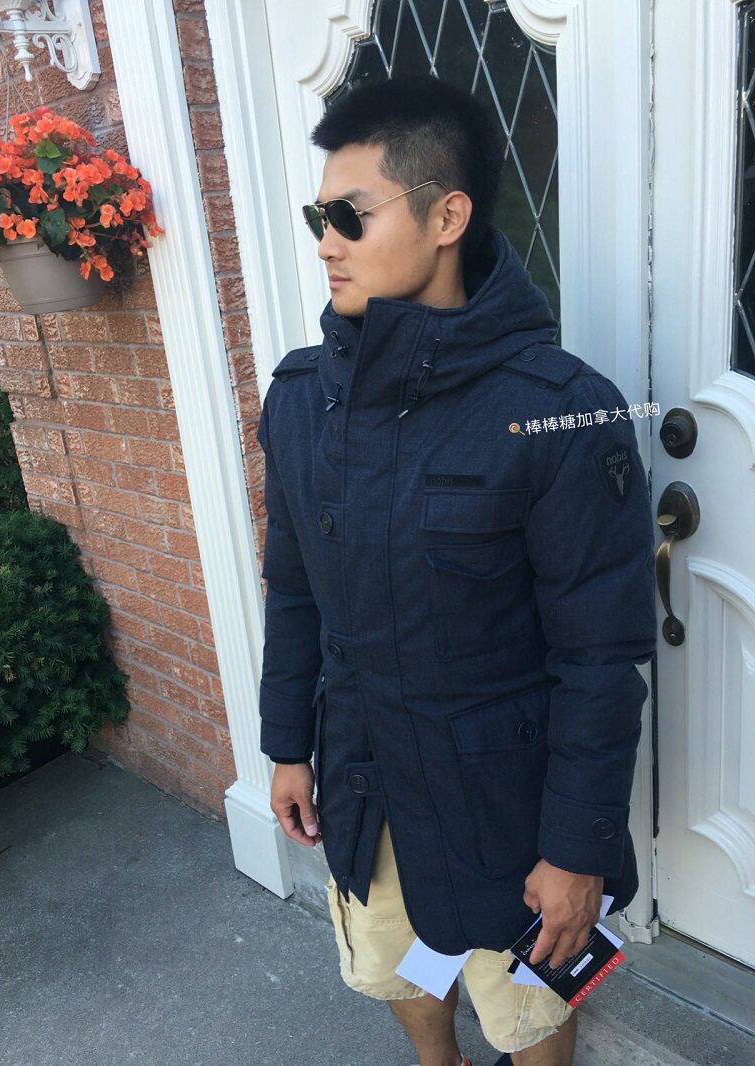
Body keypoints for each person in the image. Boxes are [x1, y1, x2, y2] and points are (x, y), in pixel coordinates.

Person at [256, 75, 657, 1066]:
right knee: (395, 966)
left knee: (529, 1007)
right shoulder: (301, 398)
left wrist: (574, 850)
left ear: (446, 217)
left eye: (350, 216)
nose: (325, 243)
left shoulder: (558, 412)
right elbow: (293, 586)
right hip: (362, 774)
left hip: (504, 805)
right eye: (317, 217)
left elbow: (599, 660)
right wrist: (287, 745)